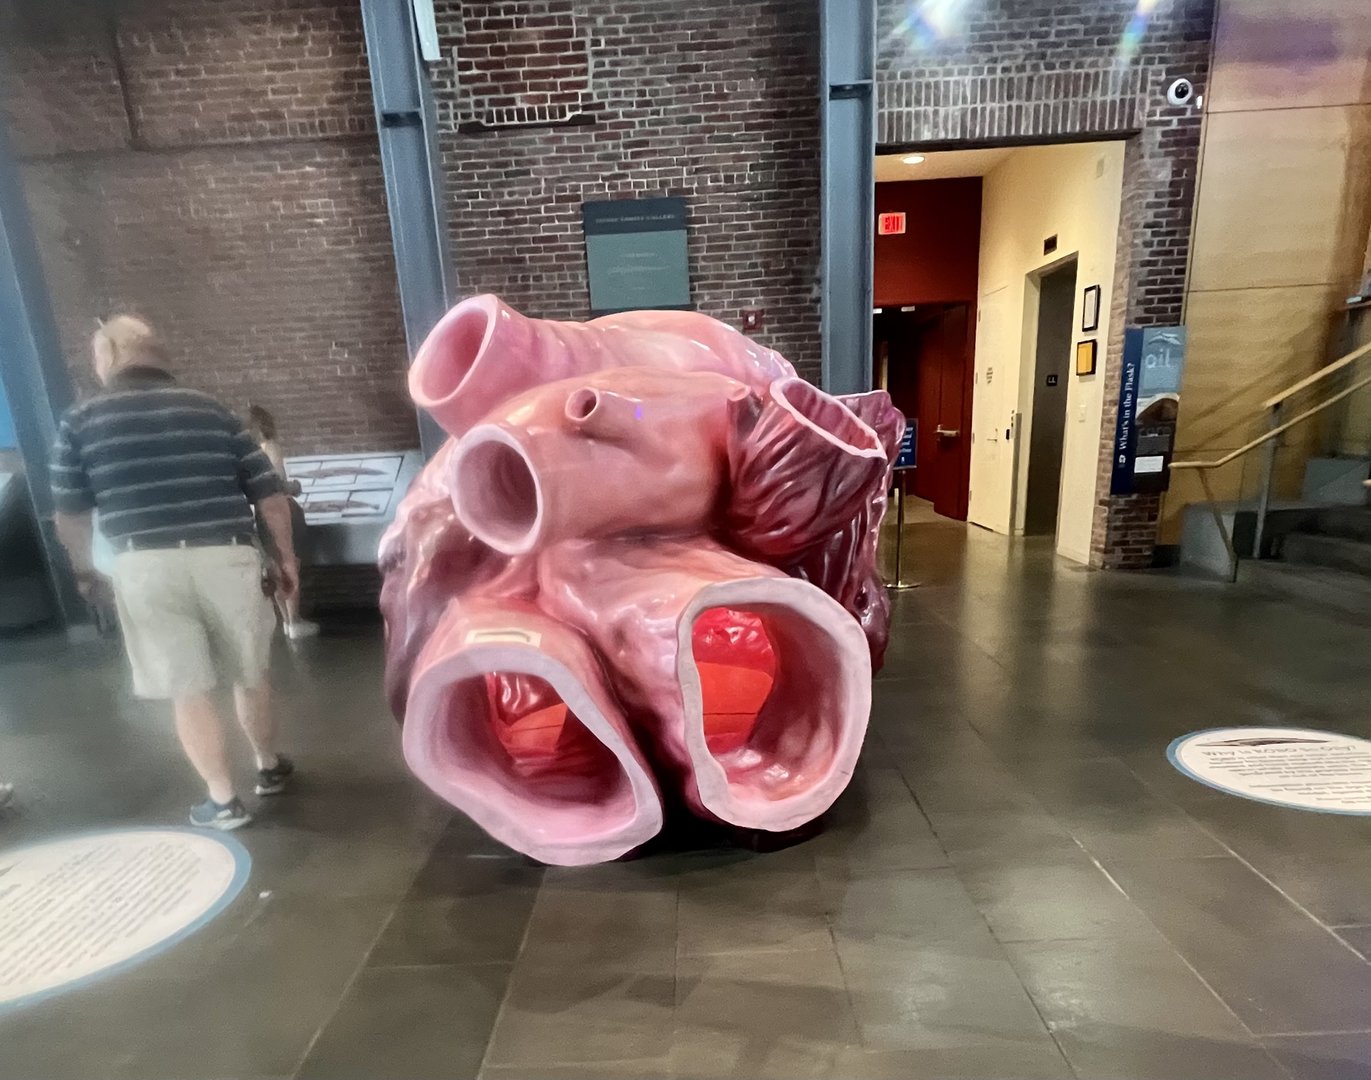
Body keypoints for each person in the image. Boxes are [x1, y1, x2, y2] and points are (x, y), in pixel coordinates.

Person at [51, 315, 297, 830]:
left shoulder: (80, 421)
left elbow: (71, 513)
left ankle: (223, 800)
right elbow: (270, 496)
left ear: (107, 358)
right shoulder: (212, 411)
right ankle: (269, 767)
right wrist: (286, 559)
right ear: (158, 355)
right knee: (251, 673)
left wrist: (83, 572)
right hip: (227, 557)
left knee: (189, 686)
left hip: (145, 564)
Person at [247, 404, 319, 640]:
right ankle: (295, 620)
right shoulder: (271, 447)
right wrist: (295, 487)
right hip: (283, 510)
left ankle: (286, 622)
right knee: (290, 563)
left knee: (275, 566)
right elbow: (276, 484)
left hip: (260, 512)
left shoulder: (249, 452)